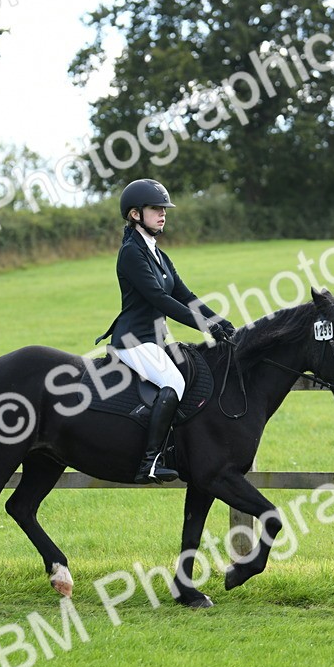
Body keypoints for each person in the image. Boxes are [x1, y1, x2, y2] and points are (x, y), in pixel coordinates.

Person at [96, 178, 236, 484]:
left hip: (156, 339)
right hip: (133, 340)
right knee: (173, 380)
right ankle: (149, 462)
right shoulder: (132, 253)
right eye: (155, 208)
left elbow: (185, 295)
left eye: (164, 209)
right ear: (135, 214)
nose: (163, 214)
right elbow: (160, 299)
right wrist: (205, 327)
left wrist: (223, 324)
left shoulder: (157, 252)